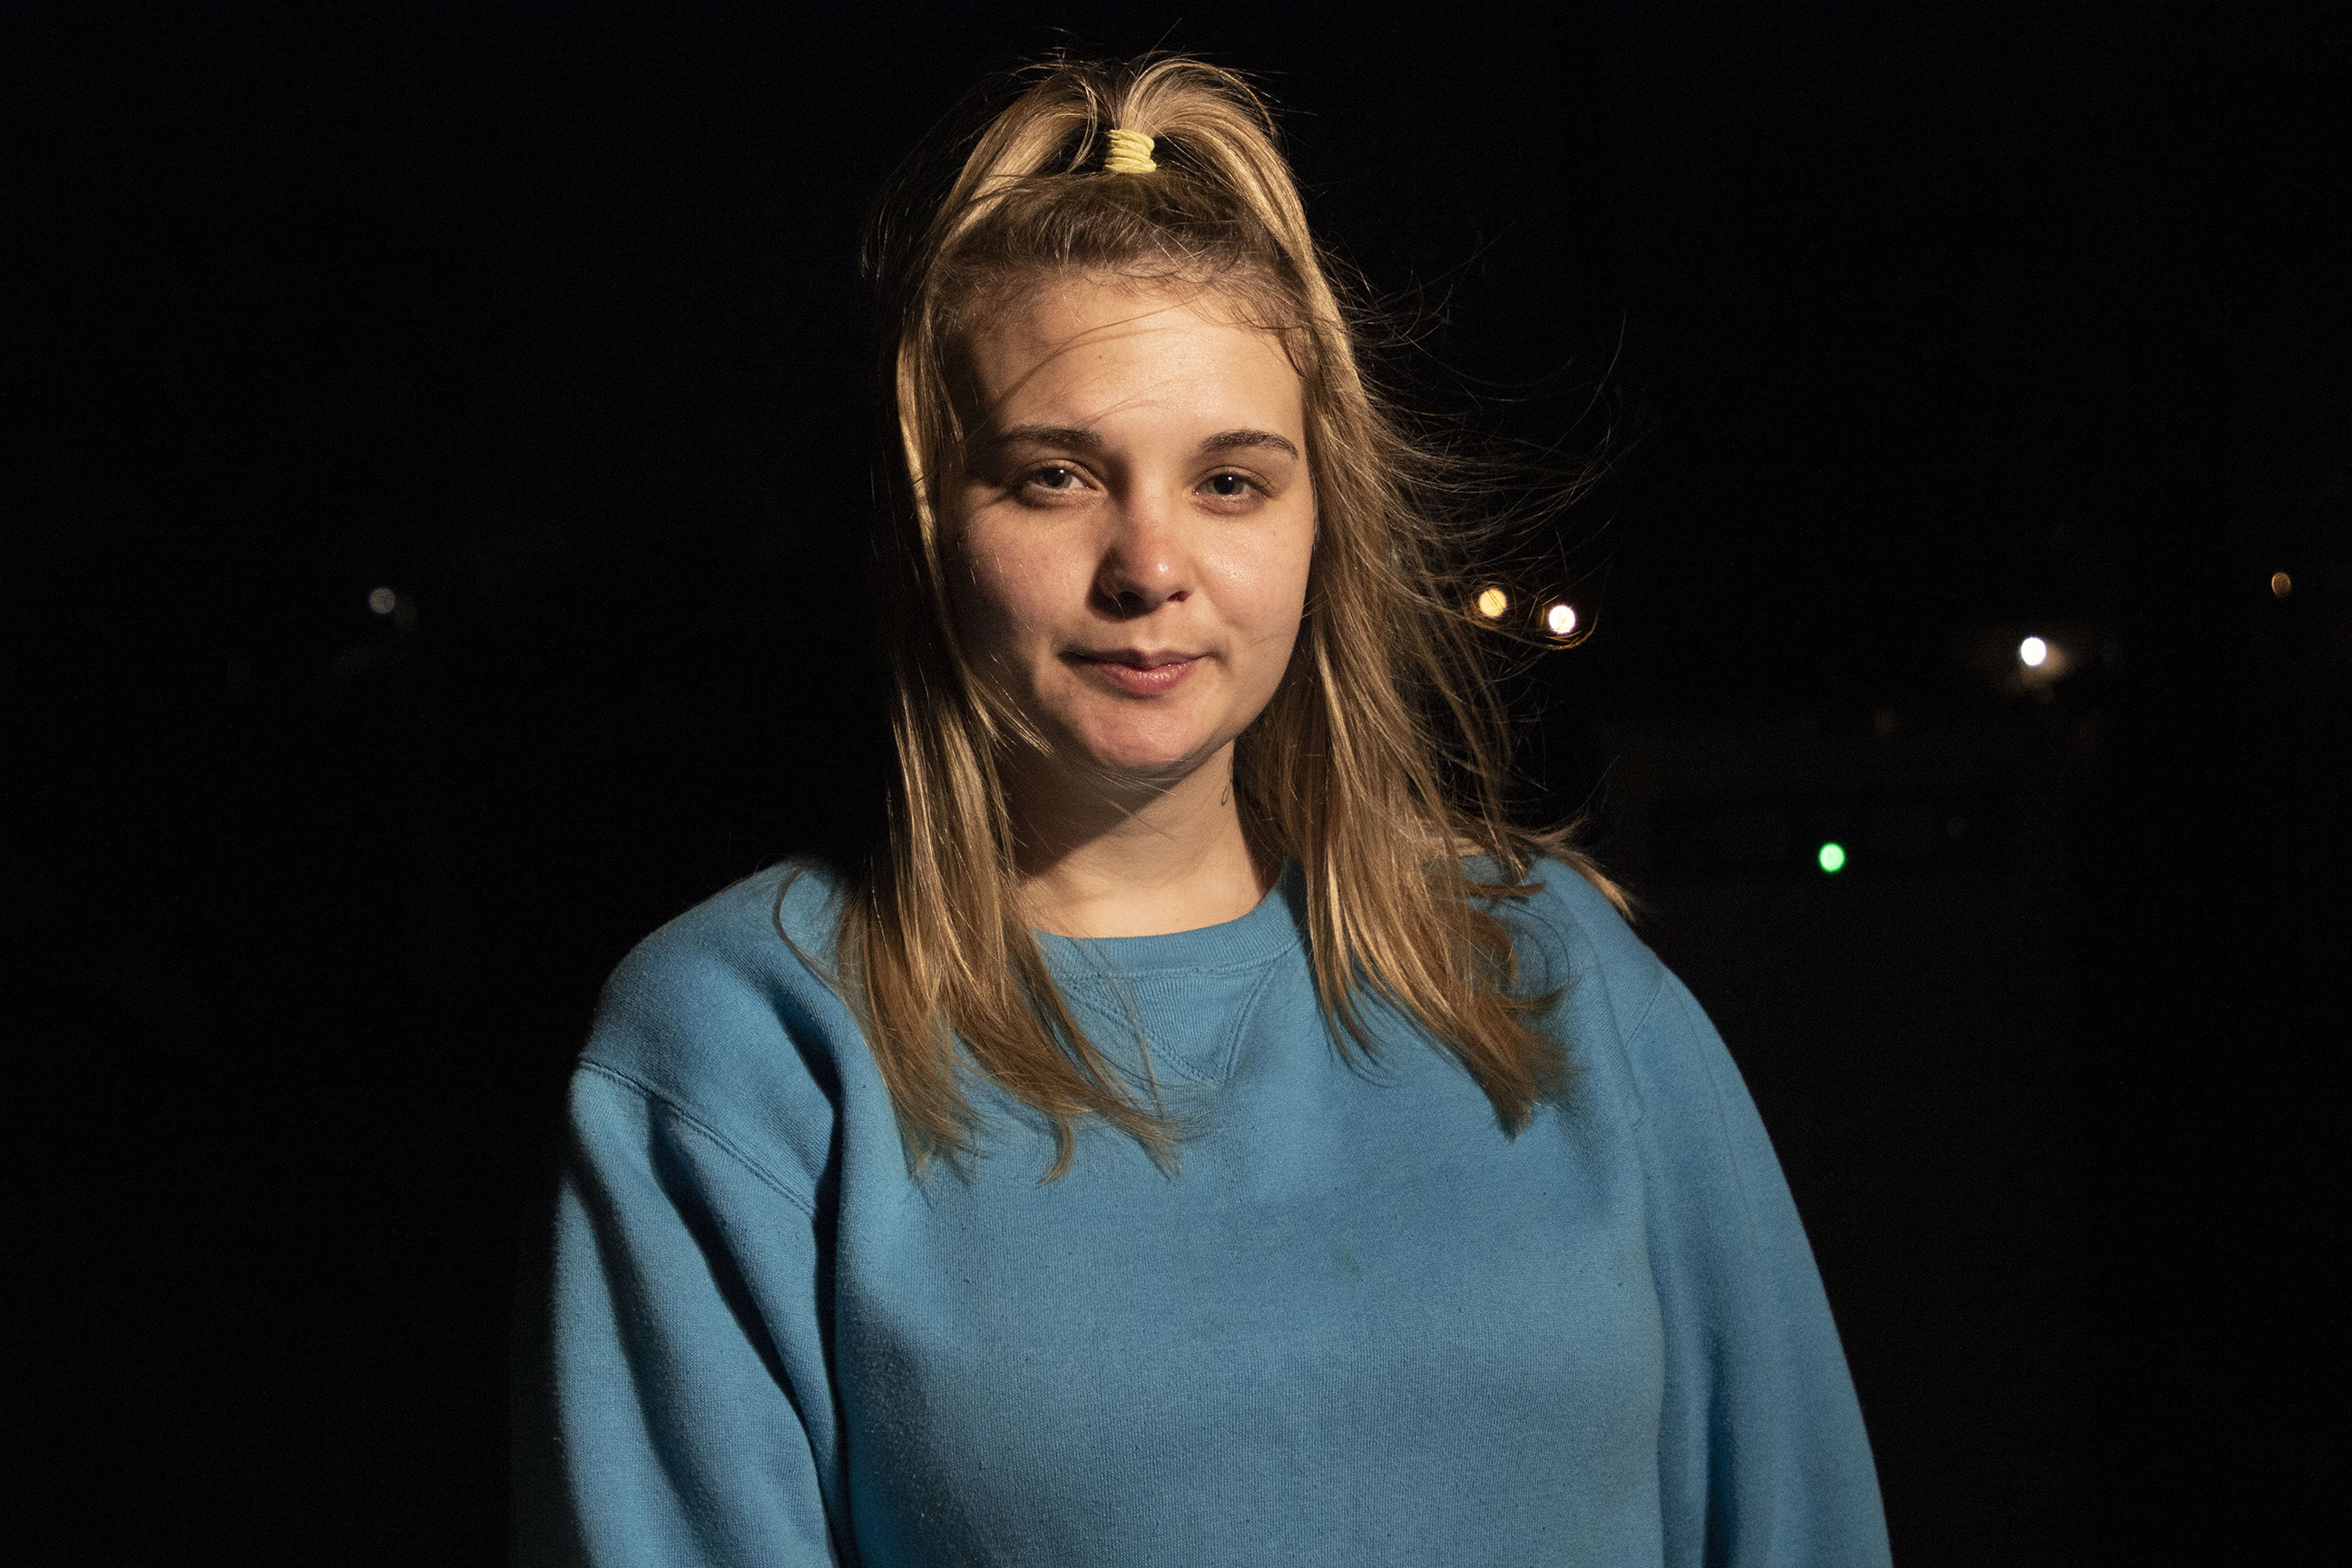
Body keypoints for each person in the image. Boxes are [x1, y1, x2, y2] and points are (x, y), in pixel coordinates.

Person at [513, 54, 1892, 1567]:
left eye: (1232, 481)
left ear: (1319, 526)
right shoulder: (744, 1050)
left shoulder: (1554, 981)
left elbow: (1803, 1523)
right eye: (1053, 478)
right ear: (928, 532)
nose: (1148, 561)